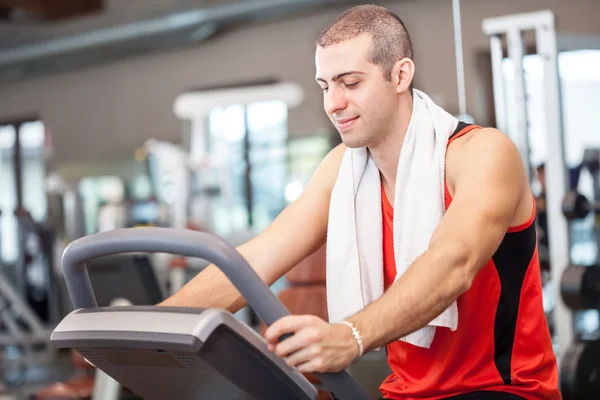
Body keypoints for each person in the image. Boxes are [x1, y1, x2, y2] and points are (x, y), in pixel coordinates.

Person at [159, 5, 560, 399]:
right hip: (405, 393)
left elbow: (453, 263)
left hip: (503, 390)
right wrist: (149, 326)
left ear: (400, 75)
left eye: (350, 83)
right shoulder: (344, 170)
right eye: (325, 86)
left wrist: (351, 335)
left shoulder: (482, 153)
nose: (333, 103)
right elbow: (254, 260)